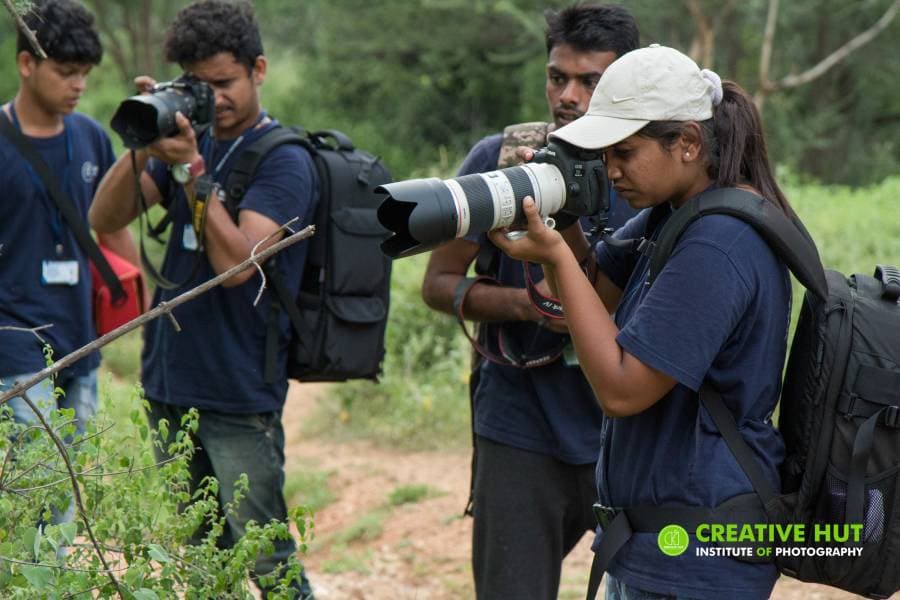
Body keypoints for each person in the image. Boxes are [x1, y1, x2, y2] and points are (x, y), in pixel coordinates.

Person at [492, 45, 791, 600]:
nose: (611, 171)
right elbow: (594, 291)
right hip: (657, 544)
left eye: (624, 153)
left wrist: (554, 256)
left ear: (687, 143)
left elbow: (622, 389)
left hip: (697, 557)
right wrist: (563, 213)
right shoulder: (674, 213)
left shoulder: (719, 243)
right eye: (604, 155)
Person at [88, 1, 316, 597]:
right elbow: (103, 216)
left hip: (240, 393)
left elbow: (238, 266)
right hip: (170, 382)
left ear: (258, 69)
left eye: (225, 82)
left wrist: (191, 167)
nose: (213, 99)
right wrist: (142, 139)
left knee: (268, 559)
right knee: (201, 559)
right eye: (199, 86)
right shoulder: (181, 145)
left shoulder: (285, 158)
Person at [420, 5, 638, 599]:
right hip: (520, 422)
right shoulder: (503, 161)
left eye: (590, 81)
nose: (568, 96)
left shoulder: (649, 172)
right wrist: (525, 306)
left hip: (628, 428)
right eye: (556, 76)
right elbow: (438, 284)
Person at [0, 0, 140, 438]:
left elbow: (111, 227)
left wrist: (145, 309)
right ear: (27, 63)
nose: (77, 85)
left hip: (81, 335)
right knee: (43, 484)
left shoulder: (91, 138)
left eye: (85, 72)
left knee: (77, 480)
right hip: (13, 340)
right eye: (65, 72)